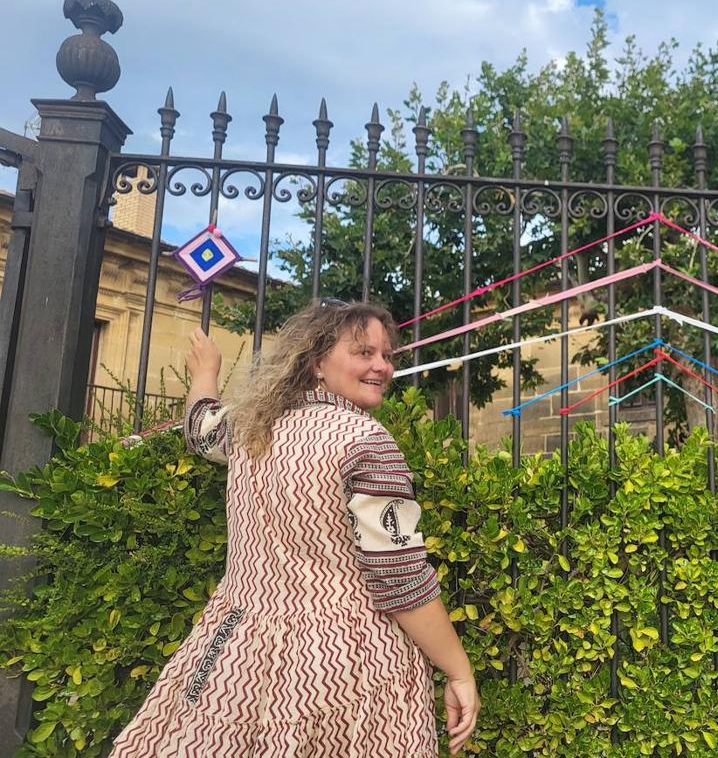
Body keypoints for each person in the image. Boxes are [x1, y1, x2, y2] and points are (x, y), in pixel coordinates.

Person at [112, 301, 478, 757]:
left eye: (388, 355)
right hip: (349, 664)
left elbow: (200, 428)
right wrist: (458, 670)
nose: (382, 366)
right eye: (364, 352)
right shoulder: (367, 444)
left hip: (235, 646)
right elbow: (400, 577)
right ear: (316, 361)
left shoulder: (251, 428)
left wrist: (206, 371)